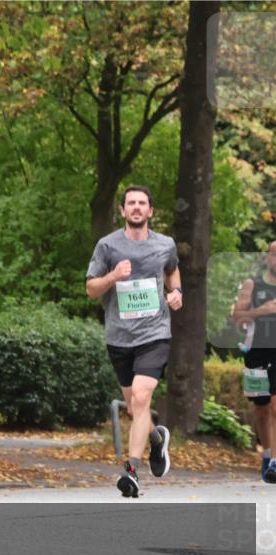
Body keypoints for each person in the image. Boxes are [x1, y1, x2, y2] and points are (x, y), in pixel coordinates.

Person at [85, 185, 182, 498]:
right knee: (133, 407)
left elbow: (172, 270)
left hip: (154, 335)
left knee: (141, 399)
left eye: (142, 203)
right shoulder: (107, 246)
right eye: (131, 203)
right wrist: (112, 277)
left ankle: (131, 470)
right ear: (123, 211)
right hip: (119, 337)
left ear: (150, 211)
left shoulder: (165, 244)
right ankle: (156, 439)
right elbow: (91, 289)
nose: (137, 208)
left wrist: (177, 292)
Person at [231, 240, 276, 483]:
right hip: (256, 351)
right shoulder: (252, 285)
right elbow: (236, 316)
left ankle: (275, 463)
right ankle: (267, 456)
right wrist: (262, 311)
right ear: (267, 258)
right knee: (262, 408)